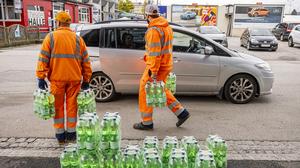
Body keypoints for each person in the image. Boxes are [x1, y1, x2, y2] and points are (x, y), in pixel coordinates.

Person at [36, 11, 92, 144]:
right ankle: (71, 133)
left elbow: (43, 58)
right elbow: (86, 61)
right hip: (74, 80)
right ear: (69, 23)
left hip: (57, 79)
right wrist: (87, 79)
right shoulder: (78, 39)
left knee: (58, 107)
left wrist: (40, 76)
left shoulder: (51, 37)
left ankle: (60, 135)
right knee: (72, 106)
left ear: (58, 22)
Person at [133, 5, 190, 130]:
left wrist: (152, 72)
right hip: (165, 64)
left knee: (145, 90)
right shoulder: (166, 27)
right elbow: (160, 49)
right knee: (161, 89)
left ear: (147, 16)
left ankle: (146, 122)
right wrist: (147, 57)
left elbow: (155, 53)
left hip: (157, 67)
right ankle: (181, 112)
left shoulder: (153, 30)